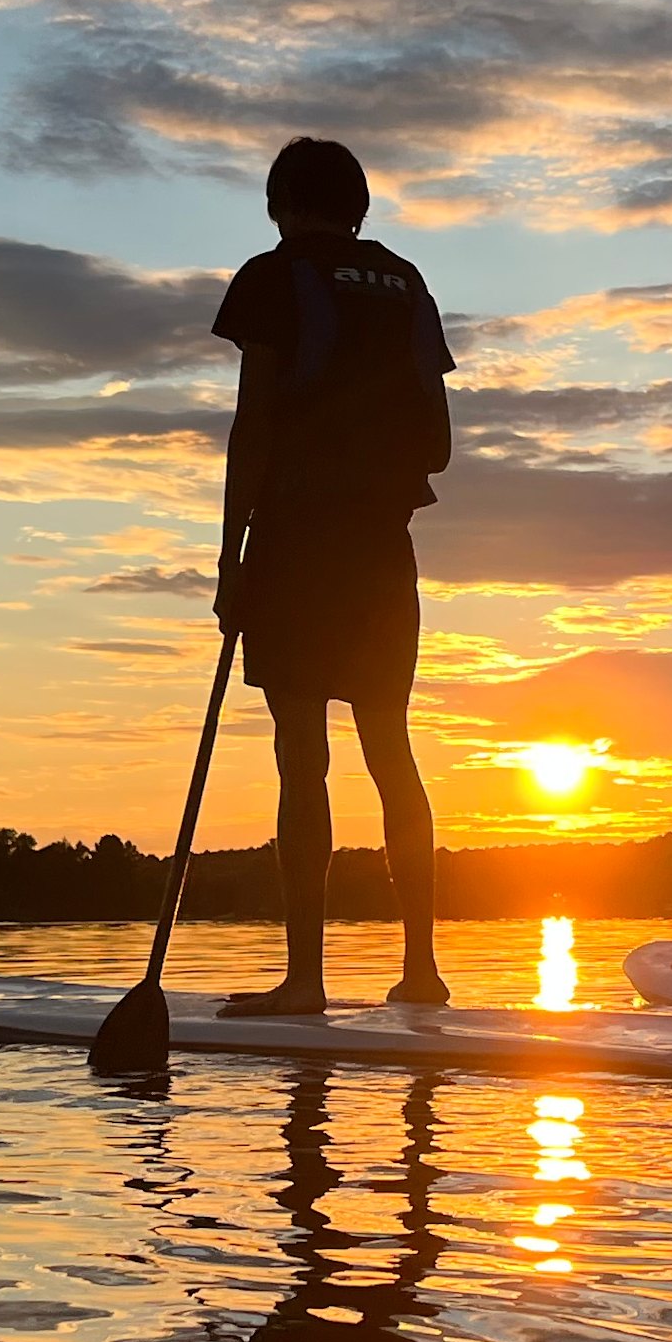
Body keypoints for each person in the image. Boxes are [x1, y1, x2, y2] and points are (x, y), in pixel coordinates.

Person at [212, 136, 455, 1013]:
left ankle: (306, 981)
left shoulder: (271, 278)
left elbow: (255, 425)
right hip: (387, 548)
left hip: (297, 545)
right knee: (391, 748)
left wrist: (231, 557)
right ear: (357, 203)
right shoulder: (404, 281)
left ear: (280, 205)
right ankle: (422, 972)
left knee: (301, 757)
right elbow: (440, 438)